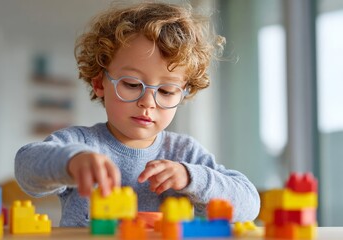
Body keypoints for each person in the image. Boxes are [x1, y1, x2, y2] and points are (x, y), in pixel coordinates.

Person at [15, 2, 260, 227]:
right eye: (132, 84)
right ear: (100, 83)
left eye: (166, 90)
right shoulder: (82, 145)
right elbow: (26, 168)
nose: (147, 102)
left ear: (183, 94)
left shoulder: (185, 154)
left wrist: (190, 177)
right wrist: (71, 162)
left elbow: (249, 205)